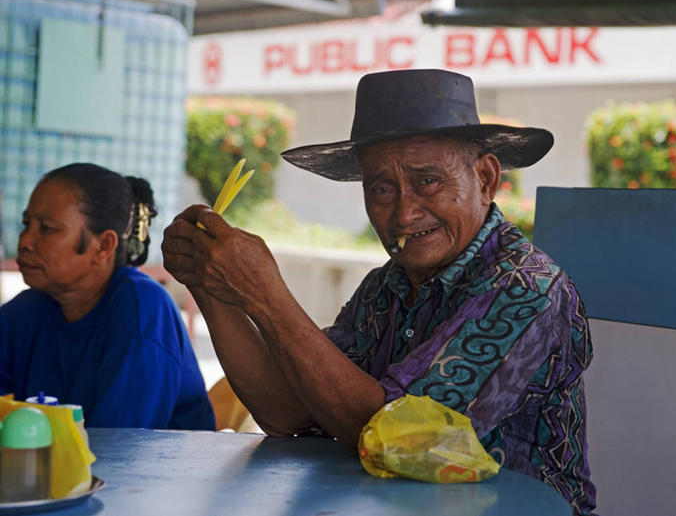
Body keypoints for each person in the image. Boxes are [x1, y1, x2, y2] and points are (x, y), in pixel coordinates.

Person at [162, 69, 596, 514]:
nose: (404, 214)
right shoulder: (384, 286)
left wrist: (267, 297)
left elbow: (400, 440)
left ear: (485, 179)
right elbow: (287, 413)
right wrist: (209, 285)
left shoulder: (527, 289)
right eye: (382, 189)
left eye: (428, 181)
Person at [0, 163, 215, 430]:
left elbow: (120, 451)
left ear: (103, 246)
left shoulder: (142, 311)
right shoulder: (26, 312)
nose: (25, 241)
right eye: (26, 224)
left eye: (47, 229)